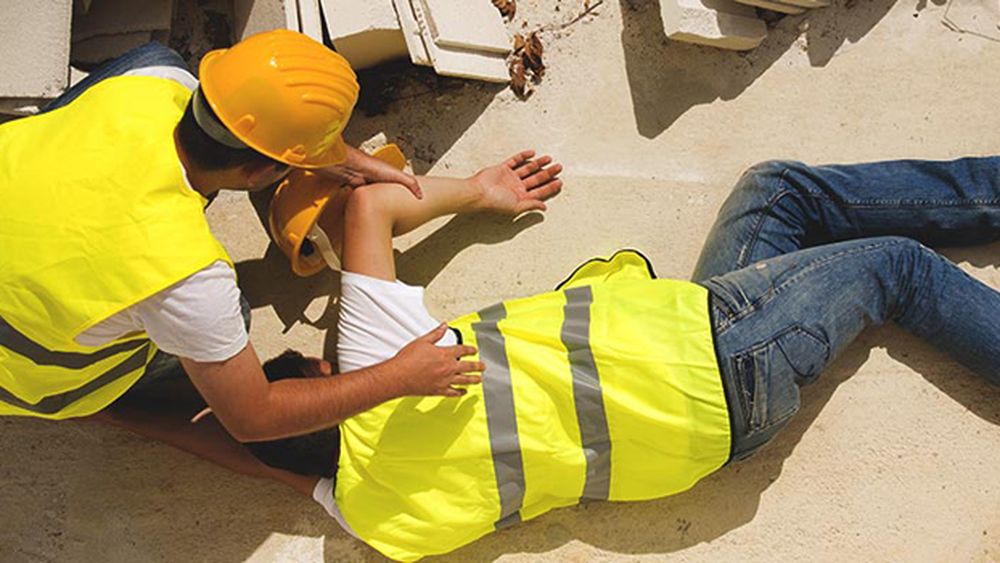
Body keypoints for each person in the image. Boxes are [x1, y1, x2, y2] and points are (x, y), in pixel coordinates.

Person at [257, 155, 999, 560]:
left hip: (714, 436)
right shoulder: (376, 356)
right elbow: (367, 207)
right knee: (897, 267)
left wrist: (164, 422)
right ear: (327, 374)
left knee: (775, 195)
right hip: (717, 347)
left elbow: (253, 443)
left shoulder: (373, 519)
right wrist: (479, 193)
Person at [0, 31, 487, 471]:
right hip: (25, 376)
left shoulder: (150, 81)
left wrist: (340, 160)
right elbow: (254, 419)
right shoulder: (183, 274)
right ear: (257, 174)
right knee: (233, 317)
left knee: (152, 53)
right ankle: (93, 398)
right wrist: (398, 376)